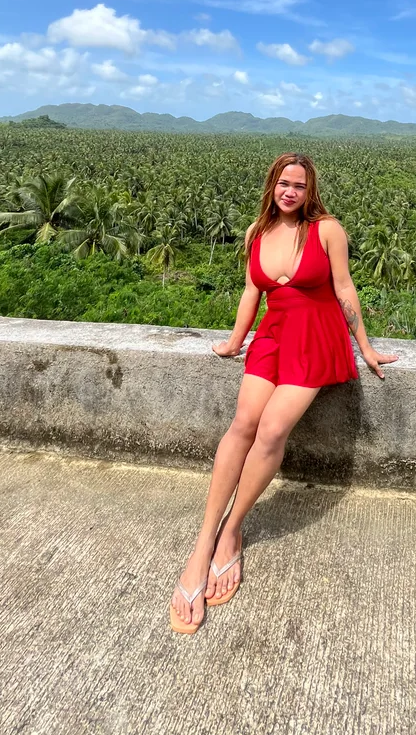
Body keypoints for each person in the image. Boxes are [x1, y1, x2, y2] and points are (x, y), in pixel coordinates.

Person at [169, 152, 398, 634]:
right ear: (272, 186)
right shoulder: (256, 232)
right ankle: (203, 543)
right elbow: (252, 293)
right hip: (272, 337)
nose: (290, 192)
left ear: (310, 191)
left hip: (316, 338)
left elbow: (344, 289)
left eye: (299, 185)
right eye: (283, 183)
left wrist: (366, 347)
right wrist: (235, 342)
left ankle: (232, 531)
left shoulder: (327, 230)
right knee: (243, 424)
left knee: (272, 430)